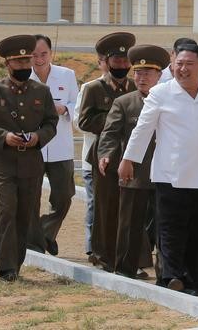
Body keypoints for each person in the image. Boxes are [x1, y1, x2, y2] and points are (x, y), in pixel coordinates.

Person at [119, 44, 198, 295]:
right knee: (170, 229)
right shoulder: (161, 93)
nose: (183, 69)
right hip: (170, 173)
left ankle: (195, 281)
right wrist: (128, 159)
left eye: (189, 64)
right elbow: (143, 129)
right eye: (179, 64)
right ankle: (171, 276)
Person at [0, 34, 58, 282]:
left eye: (26, 61)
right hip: (3, 163)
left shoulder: (41, 91)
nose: (23, 66)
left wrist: (38, 137)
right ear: (7, 63)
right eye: (18, 62)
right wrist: (4, 137)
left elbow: (51, 122)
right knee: (7, 210)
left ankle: (16, 265)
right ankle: (5, 268)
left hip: (31, 163)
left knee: (24, 215)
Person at [98, 44, 170, 279]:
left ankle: (166, 273)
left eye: (147, 73)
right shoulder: (125, 102)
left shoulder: (172, 100)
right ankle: (125, 270)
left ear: (159, 75)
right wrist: (106, 155)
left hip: (166, 173)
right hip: (134, 174)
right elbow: (110, 134)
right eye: (137, 73)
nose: (141, 78)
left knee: (165, 226)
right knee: (129, 224)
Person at [78, 31, 136, 272]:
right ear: (107, 61)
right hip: (104, 154)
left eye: (125, 61)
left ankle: (129, 258)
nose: (121, 65)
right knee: (105, 208)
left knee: (131, 209)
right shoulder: (94, 88)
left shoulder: (135, 86)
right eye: (116, 60)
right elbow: (84, 121)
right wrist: (114, 121)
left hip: (132, 153)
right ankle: (103, 255)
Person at [26, 34, 79, 256]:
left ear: (50, 53)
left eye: (44, 54)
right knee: (30, 197)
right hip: (33, 147)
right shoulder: (23, 78)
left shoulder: (66, 75)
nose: (39, 59)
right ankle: (35, 244)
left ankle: (45, 232)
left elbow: (77, 105)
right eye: (34, 55)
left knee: (64, 196)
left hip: (60, 147)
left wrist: (65, 109)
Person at [73, 55, 109, 256]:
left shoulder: (131, 87)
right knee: (95, 204)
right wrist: (110, 125)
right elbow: (78, 122)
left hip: (122, 158)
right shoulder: (90, 87)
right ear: (100, 63)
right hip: (93, 157)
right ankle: (92, 247)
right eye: (108, 60)